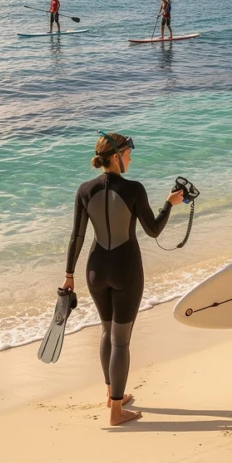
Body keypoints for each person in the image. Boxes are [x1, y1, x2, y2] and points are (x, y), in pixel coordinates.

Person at [62, 133, 184, 426]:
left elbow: (77, 236)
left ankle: (111, 394)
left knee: (107, 332)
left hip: (95, 269)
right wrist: (169, 204)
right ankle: (117, 411)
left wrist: (69, 275)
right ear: (116, 157)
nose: (130, 158)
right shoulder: (133, 189)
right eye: (128, 154)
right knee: (121, 341)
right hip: (126, 269)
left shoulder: (84, 190)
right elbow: (153, 230)